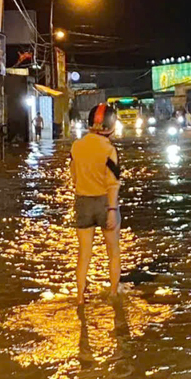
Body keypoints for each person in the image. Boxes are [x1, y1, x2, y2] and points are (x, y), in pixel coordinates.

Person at [70, 104, 122, 305]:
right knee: (113, 252)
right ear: (110, 126)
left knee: (84, 254)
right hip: (105, 203)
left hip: (82, 202)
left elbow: (73, 176)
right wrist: (112, 209)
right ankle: (114, 295)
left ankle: (80, 298)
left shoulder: (77, 146)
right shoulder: (109, 150)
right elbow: (113, 183)